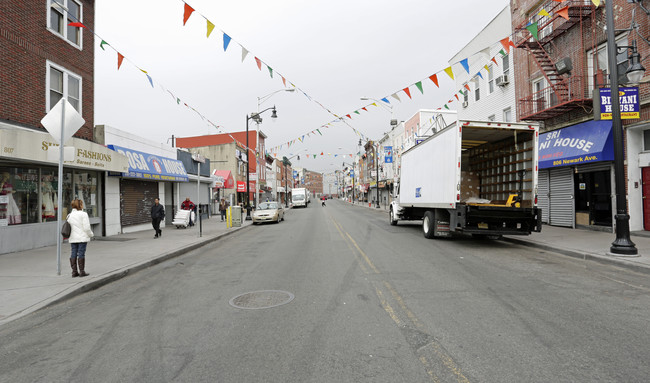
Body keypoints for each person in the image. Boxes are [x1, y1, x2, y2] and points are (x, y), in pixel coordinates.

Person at [68, 199, 93, 277]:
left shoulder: (69, 215)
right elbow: (87, 228)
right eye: (82, 204)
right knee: (81, 253)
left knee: (73, 252)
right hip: (82, 237)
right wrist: (91, 234)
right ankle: (82, 272)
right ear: (80, 205)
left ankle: (74, 272)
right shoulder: (83, 214)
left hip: (73, 238)